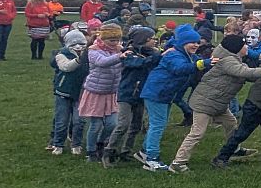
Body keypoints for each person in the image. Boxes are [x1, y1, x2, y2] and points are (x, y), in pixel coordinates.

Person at [171, 35, 261, 171]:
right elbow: (243, 71)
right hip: (205, 102)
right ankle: (178, 163)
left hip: (218, 102)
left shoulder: (234, 59)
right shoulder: (228, 61)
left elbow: (246, 74)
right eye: (244, 45)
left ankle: (234, 149)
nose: (246, 47)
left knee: (231, 123)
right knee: (197, 133)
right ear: (236, 48)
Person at [137, 25, 202, 172]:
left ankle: (144, 152)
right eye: (192, 42)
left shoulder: (187, 55)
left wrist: (209, 62)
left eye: (197, 42)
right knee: (157, 125)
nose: (196, 45)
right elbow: (179, 69)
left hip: (164, 94)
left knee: (159, 124)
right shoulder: (174, 55)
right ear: (183, 42)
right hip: (157, 93)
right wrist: (201, 64)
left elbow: (198, 62)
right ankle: (152, 159)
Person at [104, 26, 159, 165]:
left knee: (136, 125)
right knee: (123, 124)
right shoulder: (128, 53)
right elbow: (138, 63)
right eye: (152, 38)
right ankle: (109, 151)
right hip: (127, 93)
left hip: (141, 93)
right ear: (144, 39)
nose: (155, 41)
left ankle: (126, 151)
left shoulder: (152, 53)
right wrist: (158, 56)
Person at [79, 24, 126, 162]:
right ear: (103, 39)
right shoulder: (93, 50)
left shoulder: (119, 50)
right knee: (96, 125)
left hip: (111, 92)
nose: (115, 43)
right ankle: (91, 151)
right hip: (95, 92)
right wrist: (120, 56)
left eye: (117, 40)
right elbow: (102, 62)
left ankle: (101, 142)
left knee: (112, 123)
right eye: (112, 40)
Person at [48, 28, 90, 155]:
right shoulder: (61, 54)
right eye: (74, 44)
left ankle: (76, 144)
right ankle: (58, 144)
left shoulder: (89, 53)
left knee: (79, 121)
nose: (78, 47)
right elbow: (66, 67)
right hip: (63, 92)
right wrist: (79, 59)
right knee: (61, 120)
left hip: (81, 92)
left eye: (81, 43)